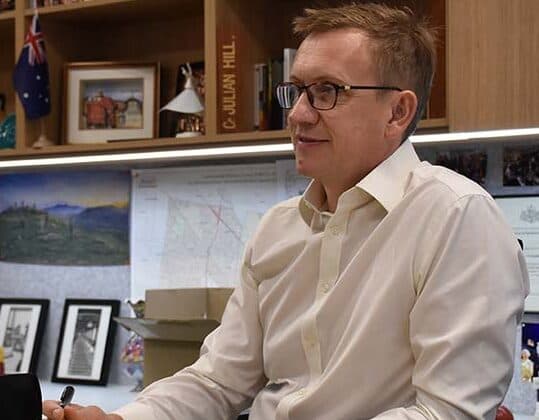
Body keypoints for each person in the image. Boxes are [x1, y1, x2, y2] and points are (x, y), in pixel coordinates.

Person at [43, 3, 529, 419]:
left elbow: (443, 412)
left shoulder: (457, 218)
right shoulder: (277, 228)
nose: (297, 114)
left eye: (327, 91)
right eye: (296, 90)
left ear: (397, 112)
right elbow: (218, 381)